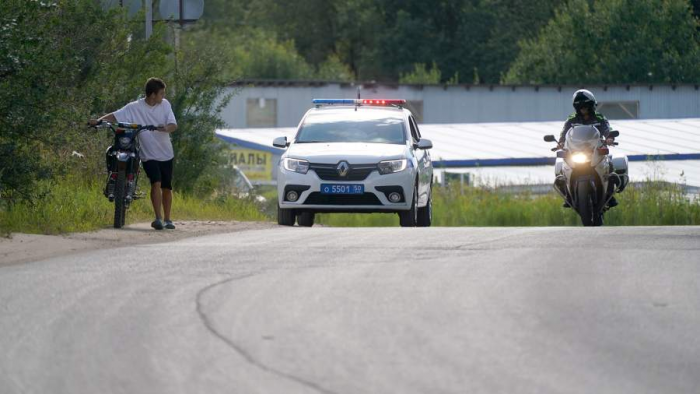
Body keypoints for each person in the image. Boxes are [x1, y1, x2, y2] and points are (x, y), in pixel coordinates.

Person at [90, 78, 178, 230]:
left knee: (166, 187)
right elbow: (116, 115)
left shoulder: (165, 105)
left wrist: (163, 128)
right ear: (152, 95)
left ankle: (168, 219)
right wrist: (98, 121)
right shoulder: (134, 107)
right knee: (155, 183)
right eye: (161, 93)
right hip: (148, 154)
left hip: (166, 153)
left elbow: (173, 124)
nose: (163, 96)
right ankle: (158, 218)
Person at [558, 89, 618, 208]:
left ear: (591, 105)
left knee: (610, 166)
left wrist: (609, 137)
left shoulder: (600, 117)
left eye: (585, 105)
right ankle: (568, 196)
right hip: (576, 151)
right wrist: (560, 142)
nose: (583, 108)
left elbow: (607, 129)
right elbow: (564, 132)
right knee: (561, 169)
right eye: (580, 106)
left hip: (595, 149)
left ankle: (609, 196)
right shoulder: (571, 119)